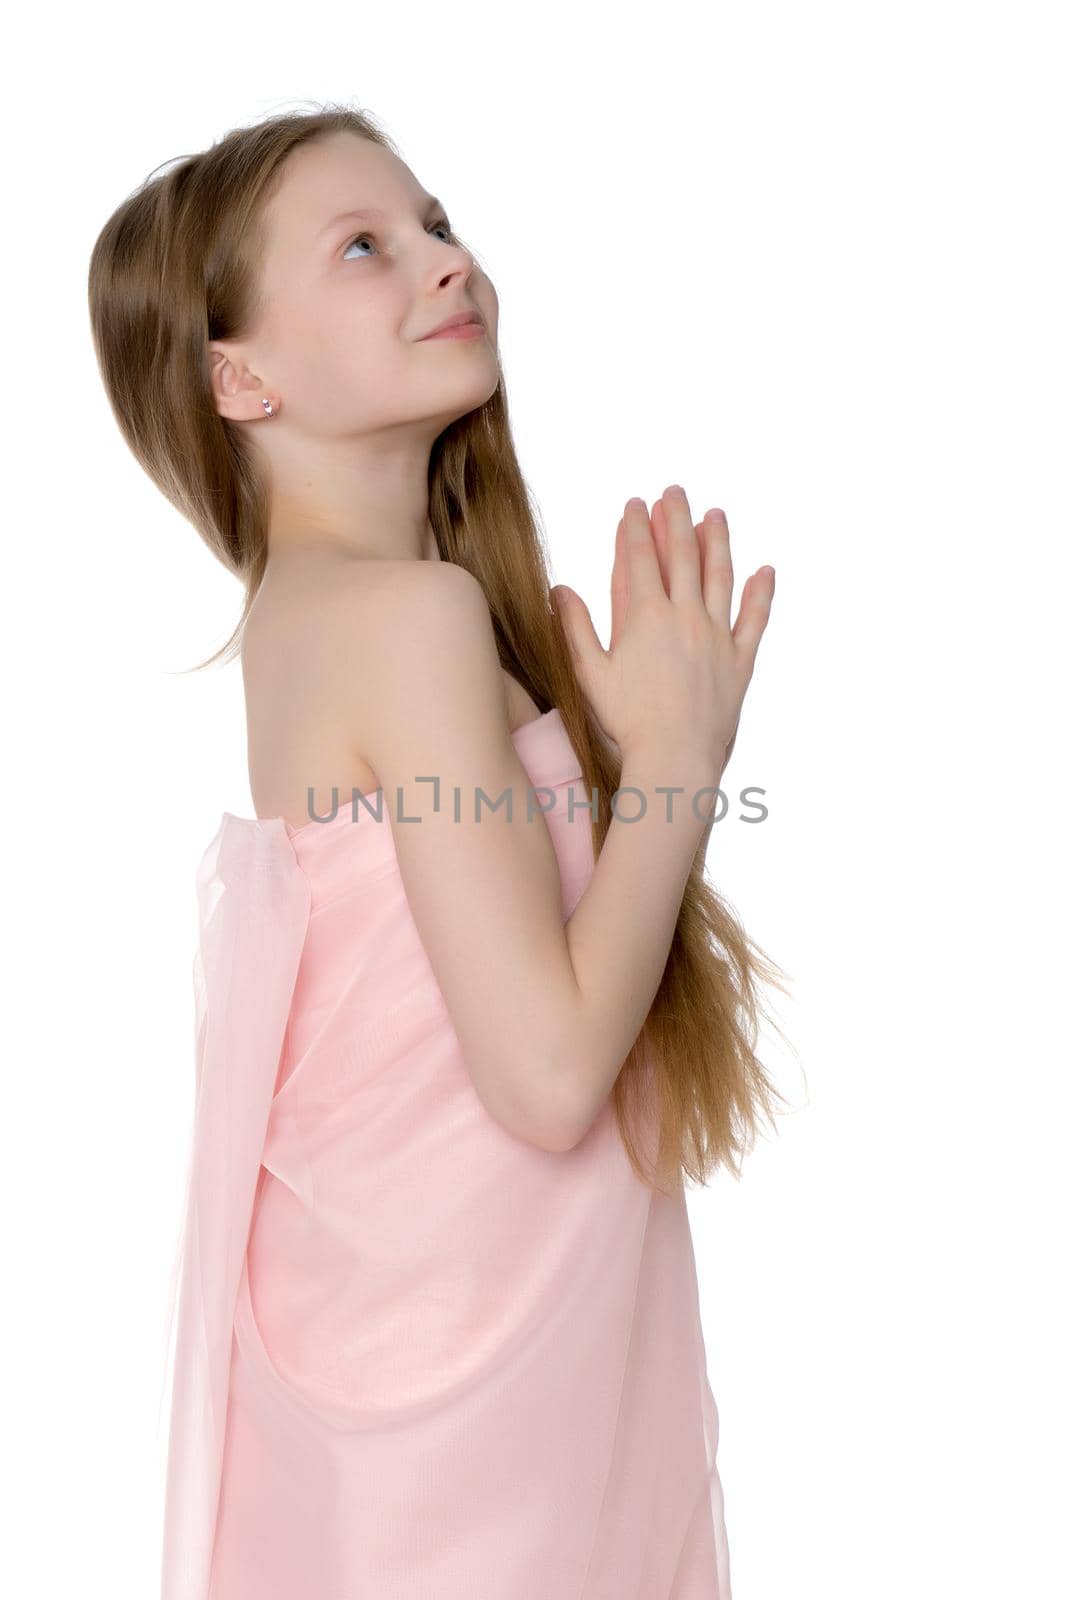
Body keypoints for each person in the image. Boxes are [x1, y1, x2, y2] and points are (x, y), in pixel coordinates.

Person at [88, 102, 786, 1600]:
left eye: (438, 224)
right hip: (464, 1435)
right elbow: (544, 1077)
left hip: (430, 1389)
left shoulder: (311, 620)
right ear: (240, 376)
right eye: (364, 247)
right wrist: (671, 766)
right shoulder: (410, 625)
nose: (443, 264)